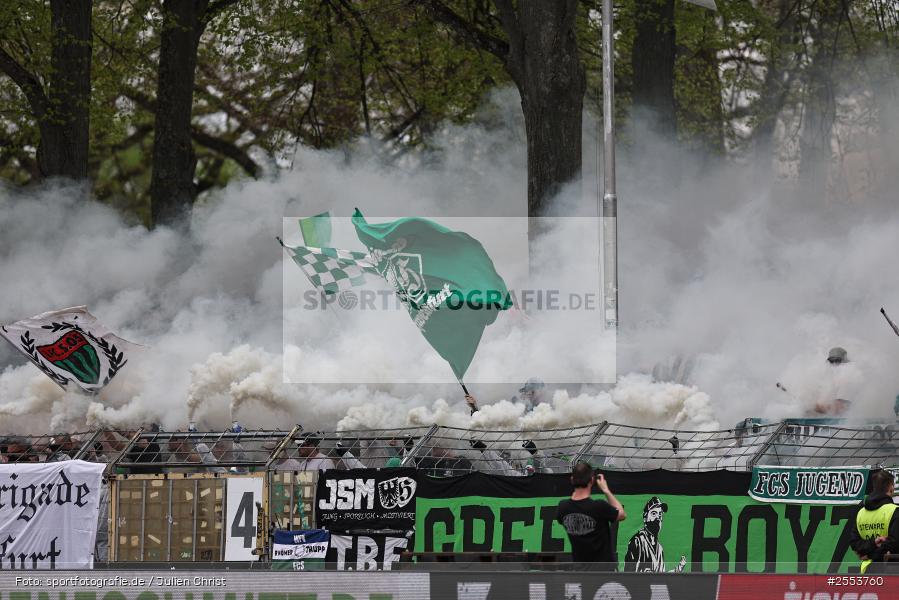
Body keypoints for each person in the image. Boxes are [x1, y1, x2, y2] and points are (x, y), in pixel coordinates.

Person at [556, 462, 626, 570]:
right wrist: (606, 490)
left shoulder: (563, 507)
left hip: (581, 573)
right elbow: (621, 514)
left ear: (572, 480)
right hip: (604, 573)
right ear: (592, 481)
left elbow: (568, 511)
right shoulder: (599, 506)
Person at [849, 469, 899, 573]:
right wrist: (877, 553)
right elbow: (895, 543)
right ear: (891, 487)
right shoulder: (894, 511)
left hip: (868, 573)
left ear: (874, 487)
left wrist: (871, 548)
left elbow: (855, 543)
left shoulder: (860, 513)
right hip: (892, 574)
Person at [623, 496, 685, 572]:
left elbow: (661, 578)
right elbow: (629, 576)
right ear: (645, 517)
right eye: (653, 513)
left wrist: (678, 569)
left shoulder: (659, 549)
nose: (657, 517)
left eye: (660, 514)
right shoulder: (638, 541)